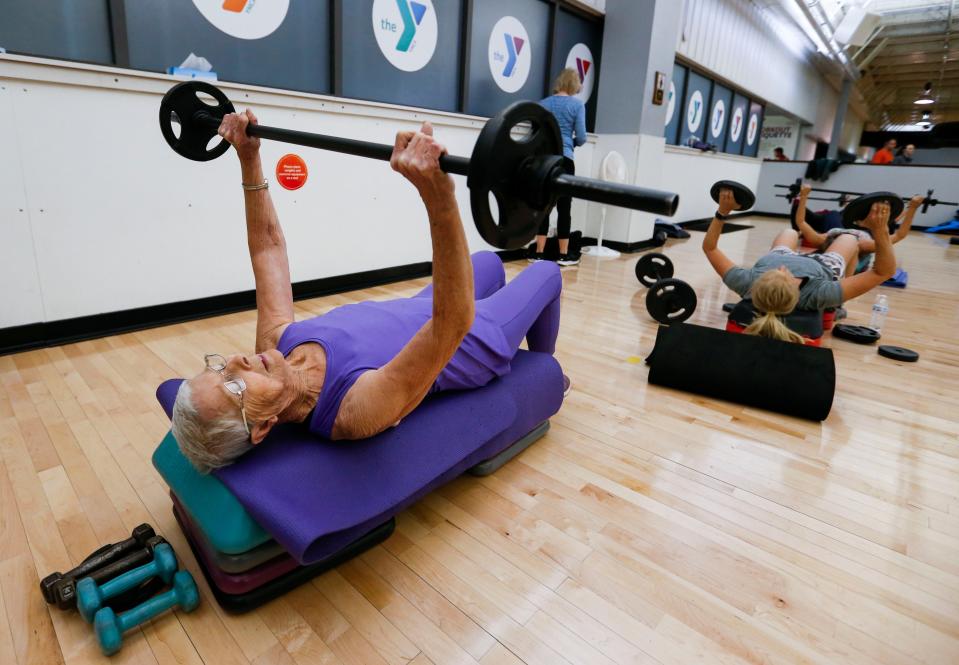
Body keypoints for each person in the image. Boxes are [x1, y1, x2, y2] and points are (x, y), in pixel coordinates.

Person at [171, 110, 566, 473]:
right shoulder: (351, 411)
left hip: (419, 306)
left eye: (220, 366)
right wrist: (439, 197)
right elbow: (451, 324)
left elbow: (268, 248)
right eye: (235, 386)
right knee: (547, 271)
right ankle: (544, 373)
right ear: (262, 428)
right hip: (474, 338)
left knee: (490, 262)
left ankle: (537, 365)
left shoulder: (274, 345)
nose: (239, 360)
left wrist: (248, 155)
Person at [703, 187, 897, 344]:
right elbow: (883, 272)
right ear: (795, 293)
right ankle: (838, 306)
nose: (783, 269)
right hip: (823, 265)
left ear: (757, 288)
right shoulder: (819, 293)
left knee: (790, 231)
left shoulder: (746, 282)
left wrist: (722, 211)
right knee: (849, 237)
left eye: (774, 273)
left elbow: (710, 249)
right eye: (785, 275)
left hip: (779, 254)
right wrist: (880, 230)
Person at [793, 184, 923, 274]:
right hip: (865, 227)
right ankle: (850, 207)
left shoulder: (824, 239)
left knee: (833, 214)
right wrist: (912, 208)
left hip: (843, 224)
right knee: (884, 222)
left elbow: (800, 221)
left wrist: (804, 196)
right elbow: (900, 235)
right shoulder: (863, 244)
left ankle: (847, 205)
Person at [530, 68, 587, 267]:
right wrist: (571, 143)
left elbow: (534, 132)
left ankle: (538, 253)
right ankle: (563, 255)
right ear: (574, 84)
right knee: (564, 207)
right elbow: (582, 137)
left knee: (544, 205)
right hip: (565, 160)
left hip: (545, 160)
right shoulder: (577, 105)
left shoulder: (542, 104)